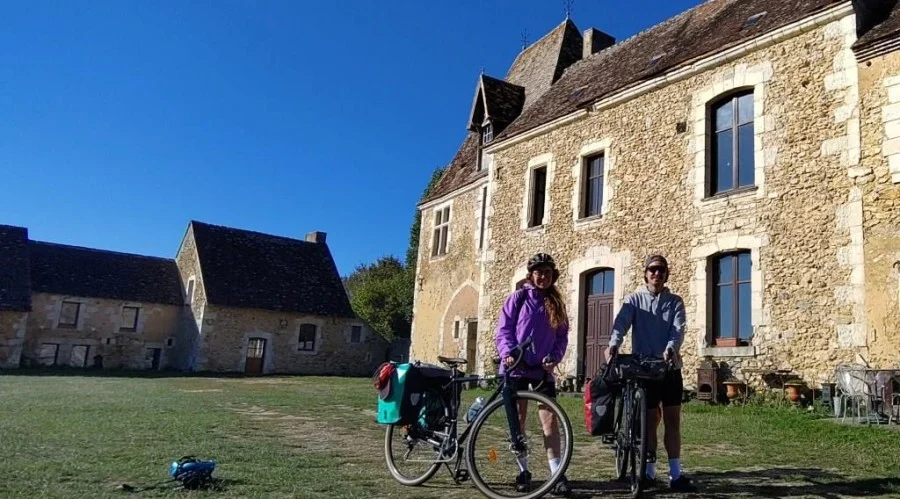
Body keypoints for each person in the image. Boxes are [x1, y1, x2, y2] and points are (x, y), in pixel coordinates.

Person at [604, 254, 697, 493]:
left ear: (666, 274)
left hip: (669, 368)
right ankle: (649, 472)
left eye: (661, 270)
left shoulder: (675, 301)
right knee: (649, 423)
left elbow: (678, 330)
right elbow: (621, 323)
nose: (657, 274)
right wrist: (613, 344)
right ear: (645, 273)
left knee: (672, 421)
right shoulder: (634, 300)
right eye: (652, 270)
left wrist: (670, 349)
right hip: (645, 369)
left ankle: (675, 475)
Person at [496, 252, 571, 496]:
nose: (543, 277)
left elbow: (561, 336)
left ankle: (556, 473)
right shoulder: (518, 298)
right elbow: (504, 329)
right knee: (518, 421)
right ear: (531, 275)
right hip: (517, 366)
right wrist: (507, 352)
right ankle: (523, 471)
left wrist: (555, 357)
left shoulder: (556, 303)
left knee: (550, 422)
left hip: (542, 370)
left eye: (547, 273)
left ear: (553, 276)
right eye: (538, 272)